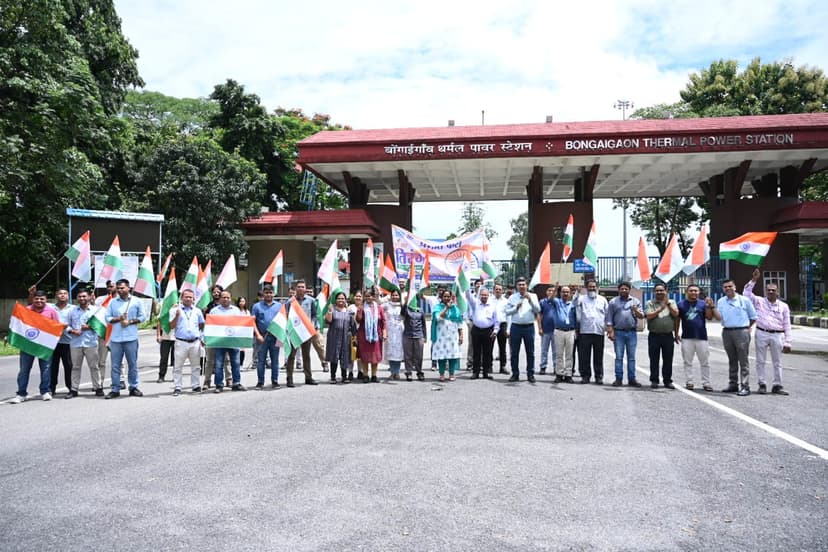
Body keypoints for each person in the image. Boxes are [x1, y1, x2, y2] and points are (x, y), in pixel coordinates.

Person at [743, 269, 792, 395]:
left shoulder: (783, 306)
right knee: (760, 361)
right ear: (766, 291)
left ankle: (778, 385)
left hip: (777, 334)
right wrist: (754, 280)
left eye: (773, 290)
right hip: (762, 333)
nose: (771, 292)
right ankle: (762, 383)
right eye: (768, 290)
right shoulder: (759, 301)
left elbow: (787, 324)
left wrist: (788, 341)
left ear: (778, 292)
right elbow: (746, 294)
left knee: (777, 362)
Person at [10, 290, 59, 403]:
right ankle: (21, 394)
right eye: (37, 298)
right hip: (28, 345)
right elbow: (17, 324)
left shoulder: (51, 312)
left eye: (42, 299)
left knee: (46, 370)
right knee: (24, 370)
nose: (39, 301)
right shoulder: (26, 310)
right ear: (33, 299)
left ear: (46, 300)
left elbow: (56, 327)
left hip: (44, 346)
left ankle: (45, 391)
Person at [711, 278, 757, 396]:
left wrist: (746, 328)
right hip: (727, 332)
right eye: (725, 287)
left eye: (730, 286)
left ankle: (745, 386)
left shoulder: (744, 300)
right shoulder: (721, 301)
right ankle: (733, 384)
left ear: (735, 287)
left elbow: (753, 317)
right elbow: (718, 318)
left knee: (743, 360)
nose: (728, 289)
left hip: (741, 332)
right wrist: (712, 307)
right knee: (732, 360)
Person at [105, 279, 147, 399]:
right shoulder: (113, 302)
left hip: (131, 338)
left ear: (129, 288)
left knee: (132, 364)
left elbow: (143, 317)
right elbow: (107, 318)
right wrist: (119, 319)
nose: (120, 290)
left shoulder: (136, 301)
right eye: (118, 288)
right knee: (115, 365)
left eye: (122, 288)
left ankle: (133, 387)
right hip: (116, 339)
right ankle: (115, 388)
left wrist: (130, 321)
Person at [285, 279, 325, 387]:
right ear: (296, 288)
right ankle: (289, 378)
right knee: (291, 355)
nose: (301, 288)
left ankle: (308, 377)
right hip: (294, 332)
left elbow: (314, 315)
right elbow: (286, 316)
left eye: (303, 286)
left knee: (306, 355)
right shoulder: (290, 302)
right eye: (299, 286)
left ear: (305, 288)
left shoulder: (311, 301)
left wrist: (314, 326)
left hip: (306, 332)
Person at [675, 284, 714, 391]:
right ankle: (689, 382)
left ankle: (706, 383)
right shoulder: (681, 304)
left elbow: (709, 317)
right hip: (687, 337)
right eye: (691, 291)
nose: (693, 293)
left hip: (702, 337)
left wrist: (710, 306)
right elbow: (677, 320)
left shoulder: (703, 304)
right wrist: (676, 333)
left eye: (696, 291)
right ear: (687, 292)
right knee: (688, 361)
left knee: (705, 362)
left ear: (699, 292)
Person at [606, 282, 644, 387]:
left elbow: (641, 316)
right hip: (618, 332)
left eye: (626, 289)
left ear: (629, 289)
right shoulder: (613, 302)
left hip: (631, 332)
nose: (624, 290)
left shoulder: (635, 301)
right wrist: (610, 331)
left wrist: (636, 310)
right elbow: (609, 318)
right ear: (619, 290)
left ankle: (632, 379)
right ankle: (618, 379)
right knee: (619, 357)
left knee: (631, 357)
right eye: (622, 289)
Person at [504, 276, 541, 383]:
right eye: (519, 285)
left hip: (529, 327)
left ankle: (530, 374)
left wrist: (530, 301)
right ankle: (515, 374)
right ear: (517, 286)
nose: (521, 286)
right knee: (514, 352)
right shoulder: (512, 297)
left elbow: (538, 310)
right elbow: (507, 312)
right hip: (516, 327)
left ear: (527, 285)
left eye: (523, 284)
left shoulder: (533, 296)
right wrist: (515, 308)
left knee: (530, 352)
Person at [170, 289, 205, 396]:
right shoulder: (175, 310)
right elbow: (171, 326)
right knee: (178, 366)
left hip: (194, 342)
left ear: (193, 299)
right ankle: (178, 386)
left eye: (190, 297)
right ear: (182, 298)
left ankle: (195, 385)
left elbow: (201, 324)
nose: (188, 299)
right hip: (181, 342)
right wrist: (177, 315)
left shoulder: (197, 311)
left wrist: (201, 337)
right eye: (186, 297)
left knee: (196, 365)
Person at [210, 290, 246, 393]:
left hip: (233, 341)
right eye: (224, 297)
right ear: (220, 299)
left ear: (230, 299)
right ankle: (219, 385)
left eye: (228, 297)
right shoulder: (214, 311)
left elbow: (241, 325)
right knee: (219, 364)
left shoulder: (236, 310)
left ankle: (236, 383)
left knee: (236, 363)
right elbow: (210, 326)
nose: (226, 299)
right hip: (219, 342)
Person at [644, 283, 679, 389]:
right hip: (654, 335)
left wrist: (667, 305)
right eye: (657, 290)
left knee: (668, 359)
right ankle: (654, 380)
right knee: (654, 359)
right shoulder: (650, 303)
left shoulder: (672, 302)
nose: (659, 292)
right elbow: (649, 316)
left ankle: (667, 380)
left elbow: (676, 315)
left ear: (665, 291)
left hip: (668, 336)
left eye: (661, 290)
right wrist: (660, 309)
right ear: (654, 292)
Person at [66, 289, 100, 398]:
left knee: (94, 366)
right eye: (80, 296)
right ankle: (74, 389)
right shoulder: (72, 311)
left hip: (91, 343)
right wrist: (72, 331)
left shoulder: (96, 310)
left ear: (90, 297)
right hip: (75, 343)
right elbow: (65, 325)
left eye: (84, 296)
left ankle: (98, 387)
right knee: (75, 367)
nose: (82, 298)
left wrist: (90, 326)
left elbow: (102, 325)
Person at [574, 279, 608, 384]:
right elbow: (574, 303)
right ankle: (585, 376)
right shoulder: (581, 298)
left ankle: (599, 376)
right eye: (590, 286)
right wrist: (577, 292)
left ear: (597, 287)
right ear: (586, 288)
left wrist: (608, 329)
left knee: (598, 356)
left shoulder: (603, 300)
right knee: (584, 356)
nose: (592, 288)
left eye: (594, 286)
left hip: (599, 331)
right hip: (585, 331)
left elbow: (607, 315)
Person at [252, 284, 282, 389]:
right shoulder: (256, 306)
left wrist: (281, 335)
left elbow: (283, 321)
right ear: (263, 294)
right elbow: (253, 322)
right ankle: (260, 382)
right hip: (262, 337)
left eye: (270, 292)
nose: (268, 294)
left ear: (273, 294)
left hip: (275, 336)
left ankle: (275, 381)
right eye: (266, 292)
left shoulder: (279, 306)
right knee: (261, 360)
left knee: (275, 360)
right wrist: (258, 335)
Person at [430, 289, 464, 382]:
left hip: (453, 336)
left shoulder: (455, 309)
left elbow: (459, 323)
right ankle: (441, 374)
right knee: (442, 356)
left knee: (452, 356)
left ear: (451, 297)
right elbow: (438, 318)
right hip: (441, 337)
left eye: (448, 296)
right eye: (444, 296)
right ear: (442, 297)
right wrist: (446, 308)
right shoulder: (437, 307)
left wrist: (461, 335)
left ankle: (452, 374)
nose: (446, 298)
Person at [325, 291, 357, 384]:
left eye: (342, 298)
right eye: (339, 298)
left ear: (345, 300)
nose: (340, 300)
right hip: (334, 337)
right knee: (334, 356)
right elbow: (328, 320)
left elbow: (353, 326)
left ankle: (344, 376)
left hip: (345, 338)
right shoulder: (332, 310)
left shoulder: (349, 312)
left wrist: (354, 337)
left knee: (345, 357)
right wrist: (330, 311)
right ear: (336, 300)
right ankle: (333, 377)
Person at [467, 286, 499, 380]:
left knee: (487, 353)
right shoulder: (475, 304)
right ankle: (475, 372)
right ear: (479, 295)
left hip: (488, 331)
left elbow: (497, 320)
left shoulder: (492, 305)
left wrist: (496, 330)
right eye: (482, 295)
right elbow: (468, 296)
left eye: (485, 295)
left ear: (488, 296)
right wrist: (466, 284)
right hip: (476, 330)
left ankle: (486, 373)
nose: (484, 296)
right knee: (476, 352)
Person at [355, 288, 386, 383]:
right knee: (365, 356)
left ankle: (374, 375)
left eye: (370, 296)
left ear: (374, 296)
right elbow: (358, 320)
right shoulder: (362, 307)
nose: (369, 298)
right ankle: (365, 375)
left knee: (375, 356)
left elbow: (383, 321)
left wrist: (384, 332)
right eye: (367, 296)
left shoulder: (379, 308)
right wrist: (359, 311)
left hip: (376, 335)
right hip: (364, 335)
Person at [550, 284, 577, 383]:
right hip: (559, 331)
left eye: (567, 292)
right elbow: (551, 299)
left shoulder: (573, 304)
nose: (565, 293)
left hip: (570, 331)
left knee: (569, 354)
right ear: (560, 293)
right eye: (563, 292)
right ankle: (559, 374)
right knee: (559, 354)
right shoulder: (557, 302)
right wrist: (555, 289)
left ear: (570, 294)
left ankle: (568, 374)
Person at [93, 280, 116, 390]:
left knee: (118, 360)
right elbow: (95, 314)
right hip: (103, 333)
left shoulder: (123, 301)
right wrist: (92, 302)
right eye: (108, 286)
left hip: (117, 333)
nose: (110, 288)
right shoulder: (100, 300)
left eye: (112, 286)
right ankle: (100, 382)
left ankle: (119, 380)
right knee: (101, 361)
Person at [201, 284, 223, 389]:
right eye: (214, 292)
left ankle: (228, 380)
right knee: (209, 360)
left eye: (218, 291)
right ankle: (207, 381)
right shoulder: (208, 307)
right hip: (211, 336)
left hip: (224, 337)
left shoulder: (226, 305)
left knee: (226, 360)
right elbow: (203, 322)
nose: (216, 293)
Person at [402, 290, 427, 382]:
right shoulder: (407, 310)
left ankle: (419, 372)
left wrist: (425, 336)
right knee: (408, 355)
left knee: (419, 356)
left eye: (415, 299)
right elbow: (402, 312)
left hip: (419, 335)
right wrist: (406, 300)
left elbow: (423, 324)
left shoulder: (420, 310)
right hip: (407, 335)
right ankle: (408, 372)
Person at [381, 289, 405, 380]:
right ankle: (392, 372)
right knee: (390, 352)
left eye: (396, 295)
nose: (395, 297)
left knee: (398, 352)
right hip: (390, 331)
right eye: (393, 295)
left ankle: (397, 372)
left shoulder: (402, 306)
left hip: (399, 332)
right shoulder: (387, 305)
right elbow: (377, 306)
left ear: (399, 296)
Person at [537, 285, 558, 376]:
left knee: (556, 351)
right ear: (546, 292)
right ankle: (543, 366)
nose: (551, 292)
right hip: (545, 330)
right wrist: (540, 328)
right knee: (544, 350)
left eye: (553, 291)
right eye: (549, 290)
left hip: (556, 330)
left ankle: (556, 367)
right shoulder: (542, 302)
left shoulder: (558, 302)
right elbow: (539, 315)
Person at [492, 283, 510, 374]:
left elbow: (508, 316)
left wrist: (508, 329)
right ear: (493, 290)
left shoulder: (506, 301)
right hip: (491, 325)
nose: (498, 291)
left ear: (502, 290)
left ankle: (502, 366)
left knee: (502, 347)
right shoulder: (490, 300)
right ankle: (488, 366)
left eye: (500, 289)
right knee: (489, 346)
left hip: (502, 325)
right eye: (496, 289)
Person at [347, 290, 363, 381]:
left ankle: (360, 371)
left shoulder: (364, 307)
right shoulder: (350, 308)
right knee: (352, 353)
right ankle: (350, 372)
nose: (358, 298)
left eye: (360, 296)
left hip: (362, 333)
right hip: (353, 333)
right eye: (356, 296)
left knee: (360, 354)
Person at [156, 317, 175, 383]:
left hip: (177, 337)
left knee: (176, 359)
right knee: (164, 358)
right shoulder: (165, 308)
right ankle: (161, 376)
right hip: (165, 337)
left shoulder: (180, 308)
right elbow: (159, 321)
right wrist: (158, 335)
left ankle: (176, 376)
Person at [236, 296, 252, 370]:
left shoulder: (247, 311)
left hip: (244, 332)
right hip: (237, 332)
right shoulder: (236, 310)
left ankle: (241, 364)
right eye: (240, 301)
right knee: (237, 349)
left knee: (242, 349)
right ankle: (236, 363)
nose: (242, 303)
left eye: (243, 301)